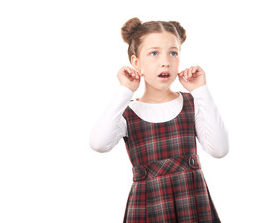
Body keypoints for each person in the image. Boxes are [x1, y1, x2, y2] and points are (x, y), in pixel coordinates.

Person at [89, 17, 229, 223]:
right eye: (154, 53)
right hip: (150, 208)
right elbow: (98, 144)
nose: (166, 61)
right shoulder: (128, 112)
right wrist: (125, 90)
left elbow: (220, 150)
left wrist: (200, 90)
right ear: (137, 63)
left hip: (193, 205)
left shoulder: (192, 103)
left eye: (173, 53)